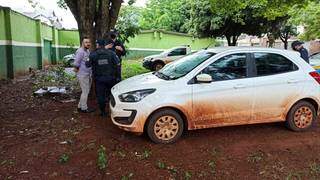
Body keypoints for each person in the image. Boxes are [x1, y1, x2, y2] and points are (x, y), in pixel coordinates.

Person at [86, 39, 121, 116]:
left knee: (100, 96)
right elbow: (118, 65)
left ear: (98, 45)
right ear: (105, 44)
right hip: (111, 78)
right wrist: (118, 77)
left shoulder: (93, 54)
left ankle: (103, 112)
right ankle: (113, 111)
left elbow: (87, 64)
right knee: (111, 95)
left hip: (99, 79)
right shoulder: (111, 53)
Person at [74, 37, 95, 113]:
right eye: (86, 42)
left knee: (85, 91)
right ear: (82, 43)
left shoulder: (87, 51)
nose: (88, 43)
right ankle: (84, 108)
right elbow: (76, 63)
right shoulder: (80, 51)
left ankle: (80, 106)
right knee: (85, 91)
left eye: (89, 42)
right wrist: (77, 71)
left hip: (87, 74)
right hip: (82, 74)